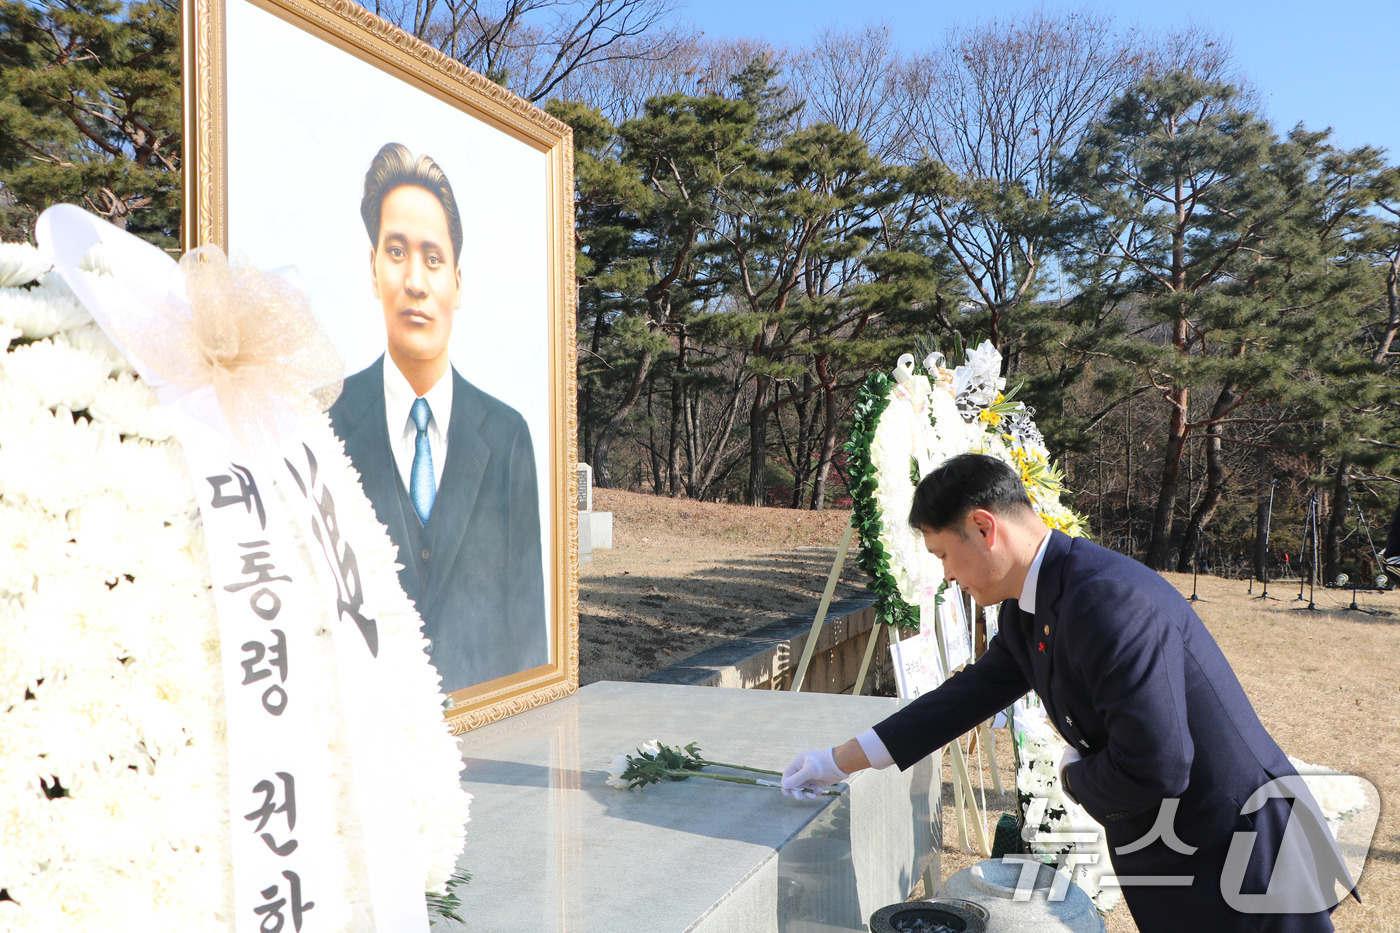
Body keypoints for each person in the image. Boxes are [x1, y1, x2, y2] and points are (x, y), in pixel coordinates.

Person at [782, 454, 1353, 932]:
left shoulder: (1103, 599)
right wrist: (836, 762)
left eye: (943, 557)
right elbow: (962, 699)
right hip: (1189, 852)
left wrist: (1073, 775)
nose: (948, 577)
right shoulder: (1034, 604)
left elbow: (1159, 764)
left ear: (984, 528)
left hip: (1239, 854)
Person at [329, 142, 548, 692]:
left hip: (487, 746)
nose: (416, 283)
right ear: (372, 269)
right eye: (396, 252)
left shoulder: (507, 436)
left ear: (457, 281)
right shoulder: (322, 424)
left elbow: (527, 631)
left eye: (432, 258)